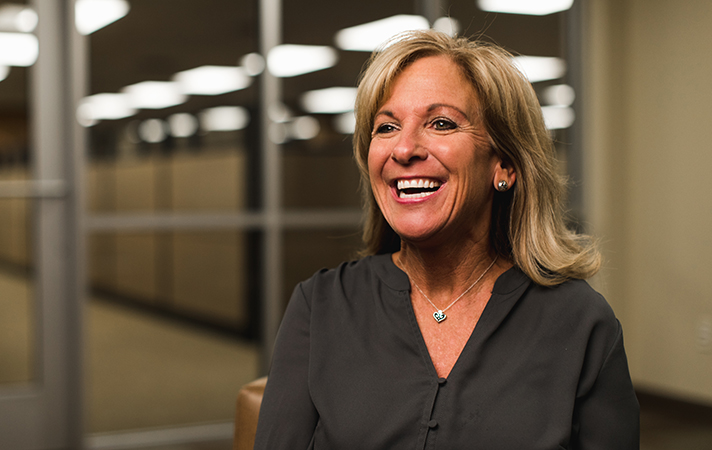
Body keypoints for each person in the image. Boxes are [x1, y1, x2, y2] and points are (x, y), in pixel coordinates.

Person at [254, 29, 639, 449]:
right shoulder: (320, 307)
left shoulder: (580, 322)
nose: (403, 149)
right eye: (386, 126)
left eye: (440, 123)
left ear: (504, 164)